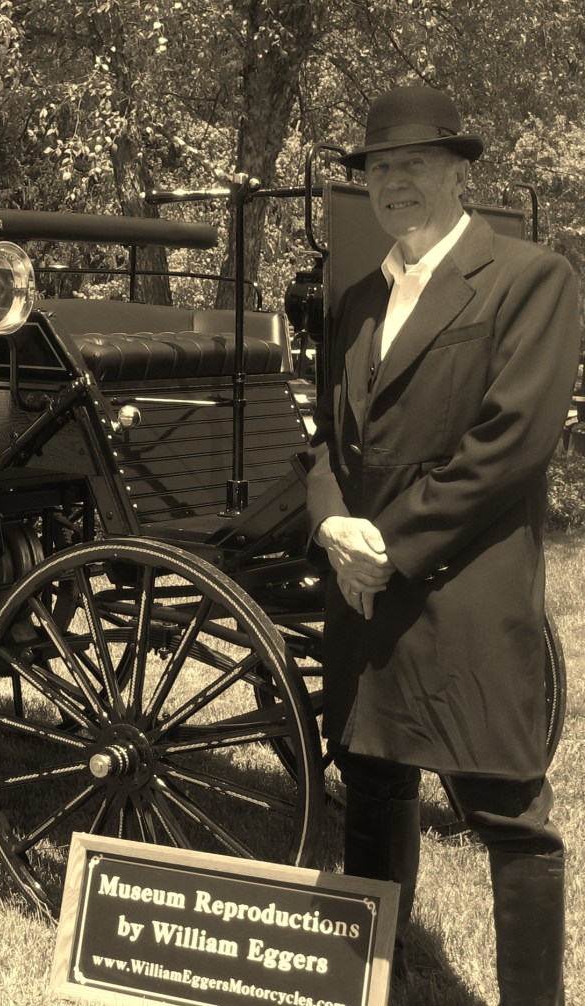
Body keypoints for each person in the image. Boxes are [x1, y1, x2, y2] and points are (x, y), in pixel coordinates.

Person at [308, 85, 579, 1004]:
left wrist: (389, 540)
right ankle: (368, 981)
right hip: (364, 588)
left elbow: (512, 443)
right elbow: (325, 442)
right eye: (380, 167)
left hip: (465, 585)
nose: (394, 182)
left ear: (459, 173)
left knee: (510, 811)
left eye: (413, 164)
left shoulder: (531, 279)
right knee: (374, 783)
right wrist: (332, 523)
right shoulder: (353, 300)